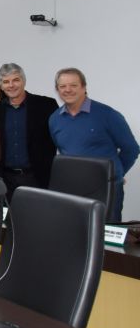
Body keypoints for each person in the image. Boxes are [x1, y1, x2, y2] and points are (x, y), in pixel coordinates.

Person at [49, 68, 139, 222]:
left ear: (84, 87)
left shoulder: (107, 115)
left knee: (105, 237)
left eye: (73, 85)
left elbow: (131, 149)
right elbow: (63, 151)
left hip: (106, 189)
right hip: (72, 189)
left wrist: (115, 174)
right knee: (74, 233)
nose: (68, 90)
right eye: (62, 86)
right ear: (57, 90)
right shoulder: (55, 119)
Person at [0, 63, 57, 195]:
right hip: (5, 179)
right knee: (8, 215)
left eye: (16, 80)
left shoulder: (46, 105)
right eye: (6, 82)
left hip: (37, 177)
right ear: (1, 86)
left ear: (24, 81)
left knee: (37, 215)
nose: (11, 85)